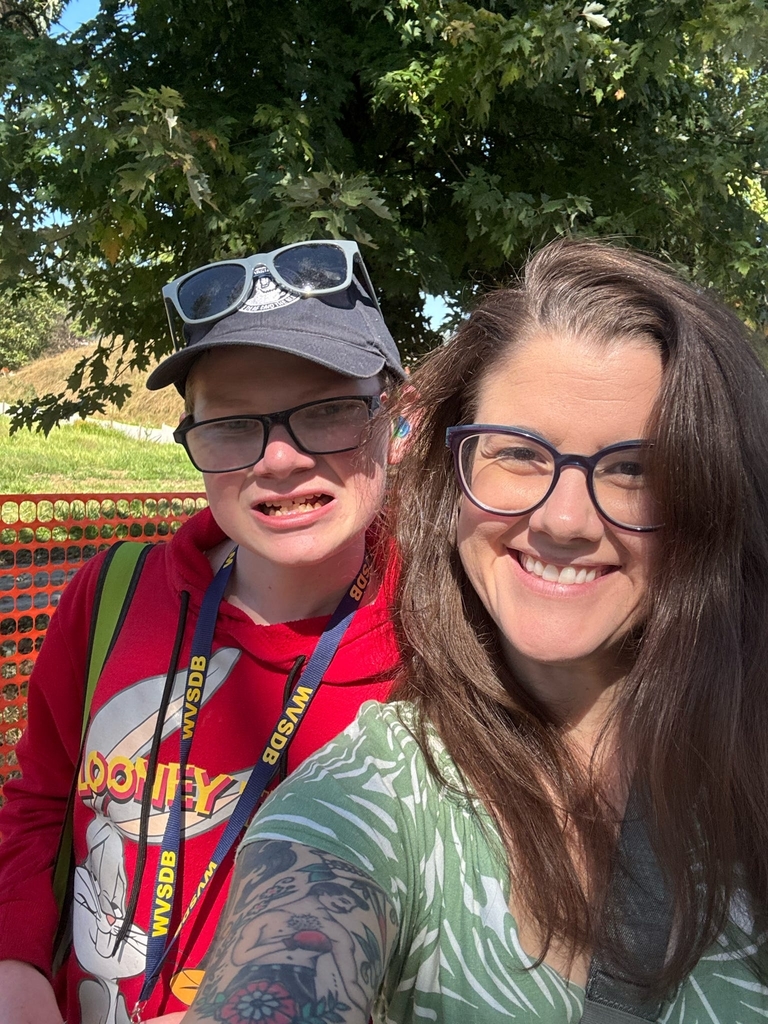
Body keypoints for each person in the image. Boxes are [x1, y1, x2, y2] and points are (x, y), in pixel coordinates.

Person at [182, 239, 768, 1024]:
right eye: (517, 454)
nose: (563, 521)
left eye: (635, 468)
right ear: (452, 471)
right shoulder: (383, 784)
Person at [0, 240, 404, 1024]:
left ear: (394, 415)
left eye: (327, 410)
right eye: (232, 425)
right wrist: (13, 968)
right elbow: (39, 800)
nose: (280, 460)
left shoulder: (446, 642)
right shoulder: (112, 595)